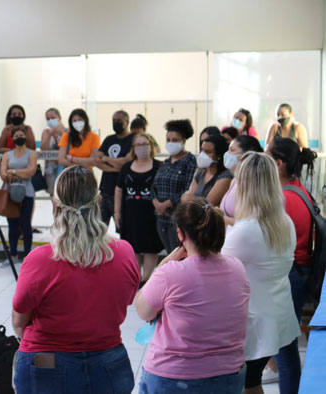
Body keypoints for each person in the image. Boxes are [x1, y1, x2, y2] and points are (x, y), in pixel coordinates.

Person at [12, 166, 139, 394]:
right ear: (98, 202)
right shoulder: (124, 253)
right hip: (108, 362)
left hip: (46, 361)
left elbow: (19, 322)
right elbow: (127, 300)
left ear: (55, 205)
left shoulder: (40, 259)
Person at [136, 198, 249, 394]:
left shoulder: (172, 272)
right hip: (228, 375)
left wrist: (162, 266)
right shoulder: (237, 268)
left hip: (175, 376)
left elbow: (143, 311)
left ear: (180, 234)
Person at [220, 153, 301, 394]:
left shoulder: (246, 231)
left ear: (243, 185)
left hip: (252, 322)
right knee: (252, 381)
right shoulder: (284, 222)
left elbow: (216, 272)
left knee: (246, 383)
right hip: (276, 313)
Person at [267, 138, 318, 392]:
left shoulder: (284, 198)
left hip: (291, 275)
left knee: (285, 350)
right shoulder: (299, 188)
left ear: (278, 163)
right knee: (284, 346)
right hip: (299, 272)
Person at [115, 133, 164, 285]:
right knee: (133, 246)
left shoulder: (159, 166)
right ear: (133, 148)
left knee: (150, 247)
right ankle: (136, 278)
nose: (142, 148)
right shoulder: (126, 167)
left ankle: (146, 279)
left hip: (151, 215)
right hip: (130, 215)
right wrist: (117, 213)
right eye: (138, 145)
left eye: (145, 144)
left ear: (151, 146)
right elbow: (118, 189)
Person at [151, 119, 197, 253]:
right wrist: (156, 203)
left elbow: (188, 189)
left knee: (179, 254)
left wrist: (167, 204)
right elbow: (154, 186)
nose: (171, 143)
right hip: (161, 217)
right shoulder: (166, 162)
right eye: (168, 140)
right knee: (169, 254)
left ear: (184, 141)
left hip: (178, 219)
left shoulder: (190, 162)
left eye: (175, 140)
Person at [0, 125, 37, 264]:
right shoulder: (7, 155)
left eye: (21, 135)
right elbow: (3, 174)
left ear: (25, 137)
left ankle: (28, 256)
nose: (19, 138)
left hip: (27, 192)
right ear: (12, 138)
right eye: (16, 136)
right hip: (11, 193)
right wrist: (21, 171)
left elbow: (31, 172)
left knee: (26, 224)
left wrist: (13, 171)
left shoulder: (32, 153)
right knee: (12, 224)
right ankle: (13, 254)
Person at [94, 110, 133, 226]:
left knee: (122, 227)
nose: (116, 123)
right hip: (105, 190)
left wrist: (106, 159)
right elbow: (96, 160)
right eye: (114, 121)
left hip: (123, 191)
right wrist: (113, 168)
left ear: (127, 122)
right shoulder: (109, 139)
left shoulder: (133, 139)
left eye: (119, 121)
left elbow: (125, 163)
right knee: (99, 228)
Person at [219, 136, 264, 226]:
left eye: (232, 150)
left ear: (244, 155)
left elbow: (250, 225)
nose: (227, 154)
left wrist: (220, 218)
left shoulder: (251, 184)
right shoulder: (235, 180)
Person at [182, 134, 232, 206]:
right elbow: (185, 199)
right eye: (202, 150)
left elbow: (208, 204)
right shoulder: (200, 172)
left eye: (208, 152)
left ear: (219, 155)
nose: (203, 155)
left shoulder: (225, 175)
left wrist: (190, 199)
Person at [40, 107, 67, 195]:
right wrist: (50, 134)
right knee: (54, 197)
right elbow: (43, 149)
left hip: (65, 168)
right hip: (51, 169)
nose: (50, 120)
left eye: (53, 118)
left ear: (59, 118)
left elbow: (72, 146)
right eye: (48, 119)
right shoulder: (46, 132)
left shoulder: (68, 131)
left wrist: (61, 133)